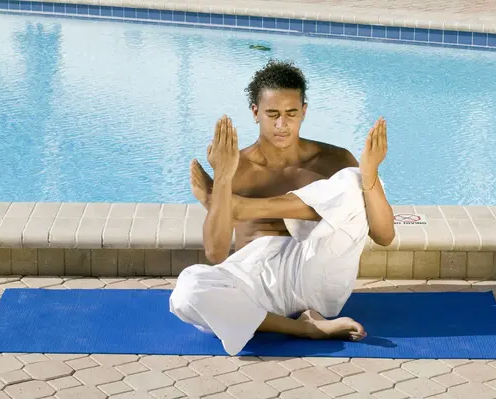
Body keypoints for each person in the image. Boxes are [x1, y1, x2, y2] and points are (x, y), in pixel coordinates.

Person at [169, 59, 395, 356]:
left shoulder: (334, 160)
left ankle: (241, 207)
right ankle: (304, 327)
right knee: (187, 290)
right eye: (272, 114)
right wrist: (223, 178)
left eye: (291, 113)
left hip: (315, 269)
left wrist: (371, 175)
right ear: (255, 112)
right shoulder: (235, 166)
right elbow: (216, 254)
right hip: (254, 279)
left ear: (304, 110)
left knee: (354, 179)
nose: (281, 124)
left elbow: (384, 235)